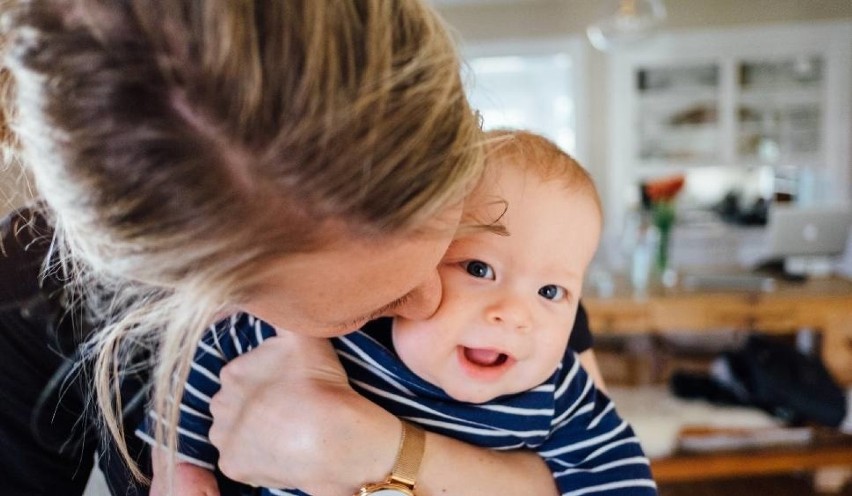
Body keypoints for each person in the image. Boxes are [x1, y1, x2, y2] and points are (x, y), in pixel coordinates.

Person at [0, 1, 605, 495]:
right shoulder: (24, 302)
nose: (431, 298)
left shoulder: (513, 262)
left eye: (452, 247)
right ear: (199, 291)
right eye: (369, 305)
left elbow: (599, 466)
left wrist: (388, 455)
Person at [143, 130, 656, 496]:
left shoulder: (556, 391)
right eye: (478, 269)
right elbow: (208, 356)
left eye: (550, 292)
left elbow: (615, 474)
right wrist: (181, 468)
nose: (514, 313)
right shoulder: (348, 327)